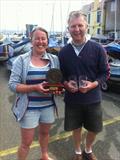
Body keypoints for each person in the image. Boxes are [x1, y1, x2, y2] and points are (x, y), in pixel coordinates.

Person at [58, 11, 110, 160]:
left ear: (86, 26)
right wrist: (66, 84)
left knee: (94, 129)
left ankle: (88, 149)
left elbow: (105, 73)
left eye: (80, 25)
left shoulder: (98, 48)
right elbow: (60, 76)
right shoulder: (63, 52)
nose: (77, 29)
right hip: (72, 100)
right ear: (68, 28)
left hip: (93, 99)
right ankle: (78, 152)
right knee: (76, 128)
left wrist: (93, 84)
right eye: (73, 26)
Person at [9, 27, 60, 160]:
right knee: (26, 143)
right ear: (31, 41)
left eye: (43, 38)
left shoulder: (54, 59)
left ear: (47, 41)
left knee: (45, 134)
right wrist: (35, 87)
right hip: (29, 108)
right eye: (36, 38)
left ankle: (44, 155)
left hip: (48, 106)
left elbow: (56, 81)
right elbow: (13, 85)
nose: (40, 41)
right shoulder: (21, 60)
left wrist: (60, 88)